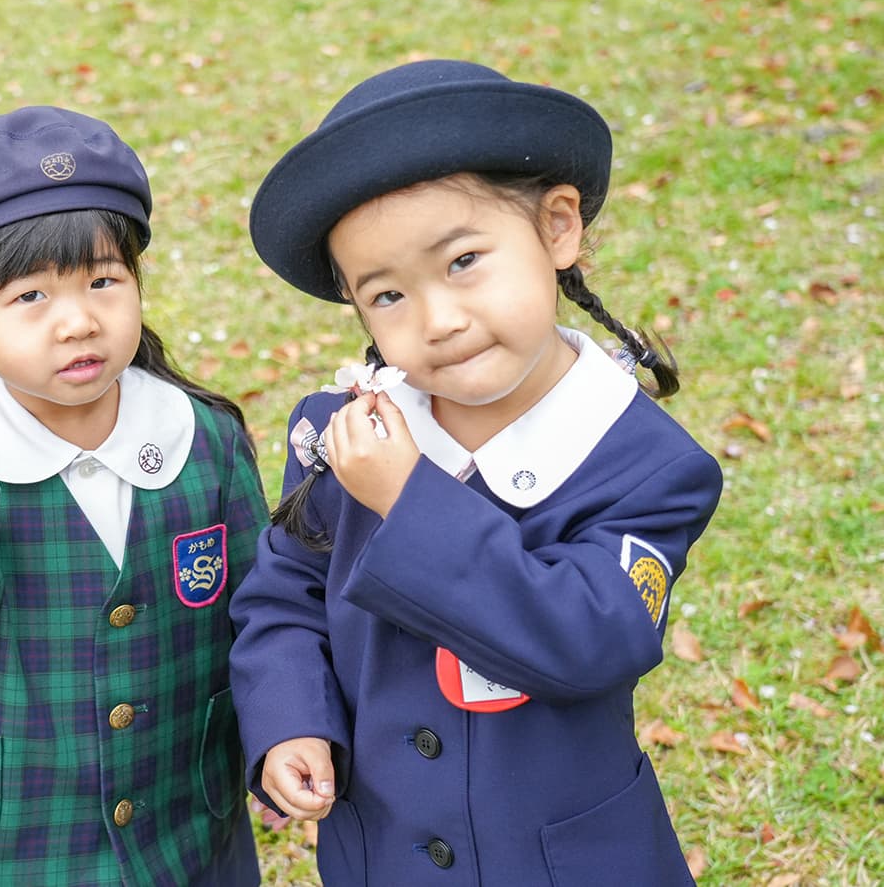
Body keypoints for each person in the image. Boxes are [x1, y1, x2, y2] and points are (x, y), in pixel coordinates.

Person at [229, 60, 723, 886]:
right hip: (380, 853)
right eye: (387, 295)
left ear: (557, 227)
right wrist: (290, 720)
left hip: (570, 863)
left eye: (462, 261)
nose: (439, 319)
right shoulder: (339, 434)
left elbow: (590, 635)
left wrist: (408, 500)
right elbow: (286, 596)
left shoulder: (646, 462)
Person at [0, 106, 267, 886]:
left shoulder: (203, 438)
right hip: (16, 837)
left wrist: (283, 732)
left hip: (188, 822)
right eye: (30, 296)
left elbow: (263, 609)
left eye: (104, 281)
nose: (78, 322)